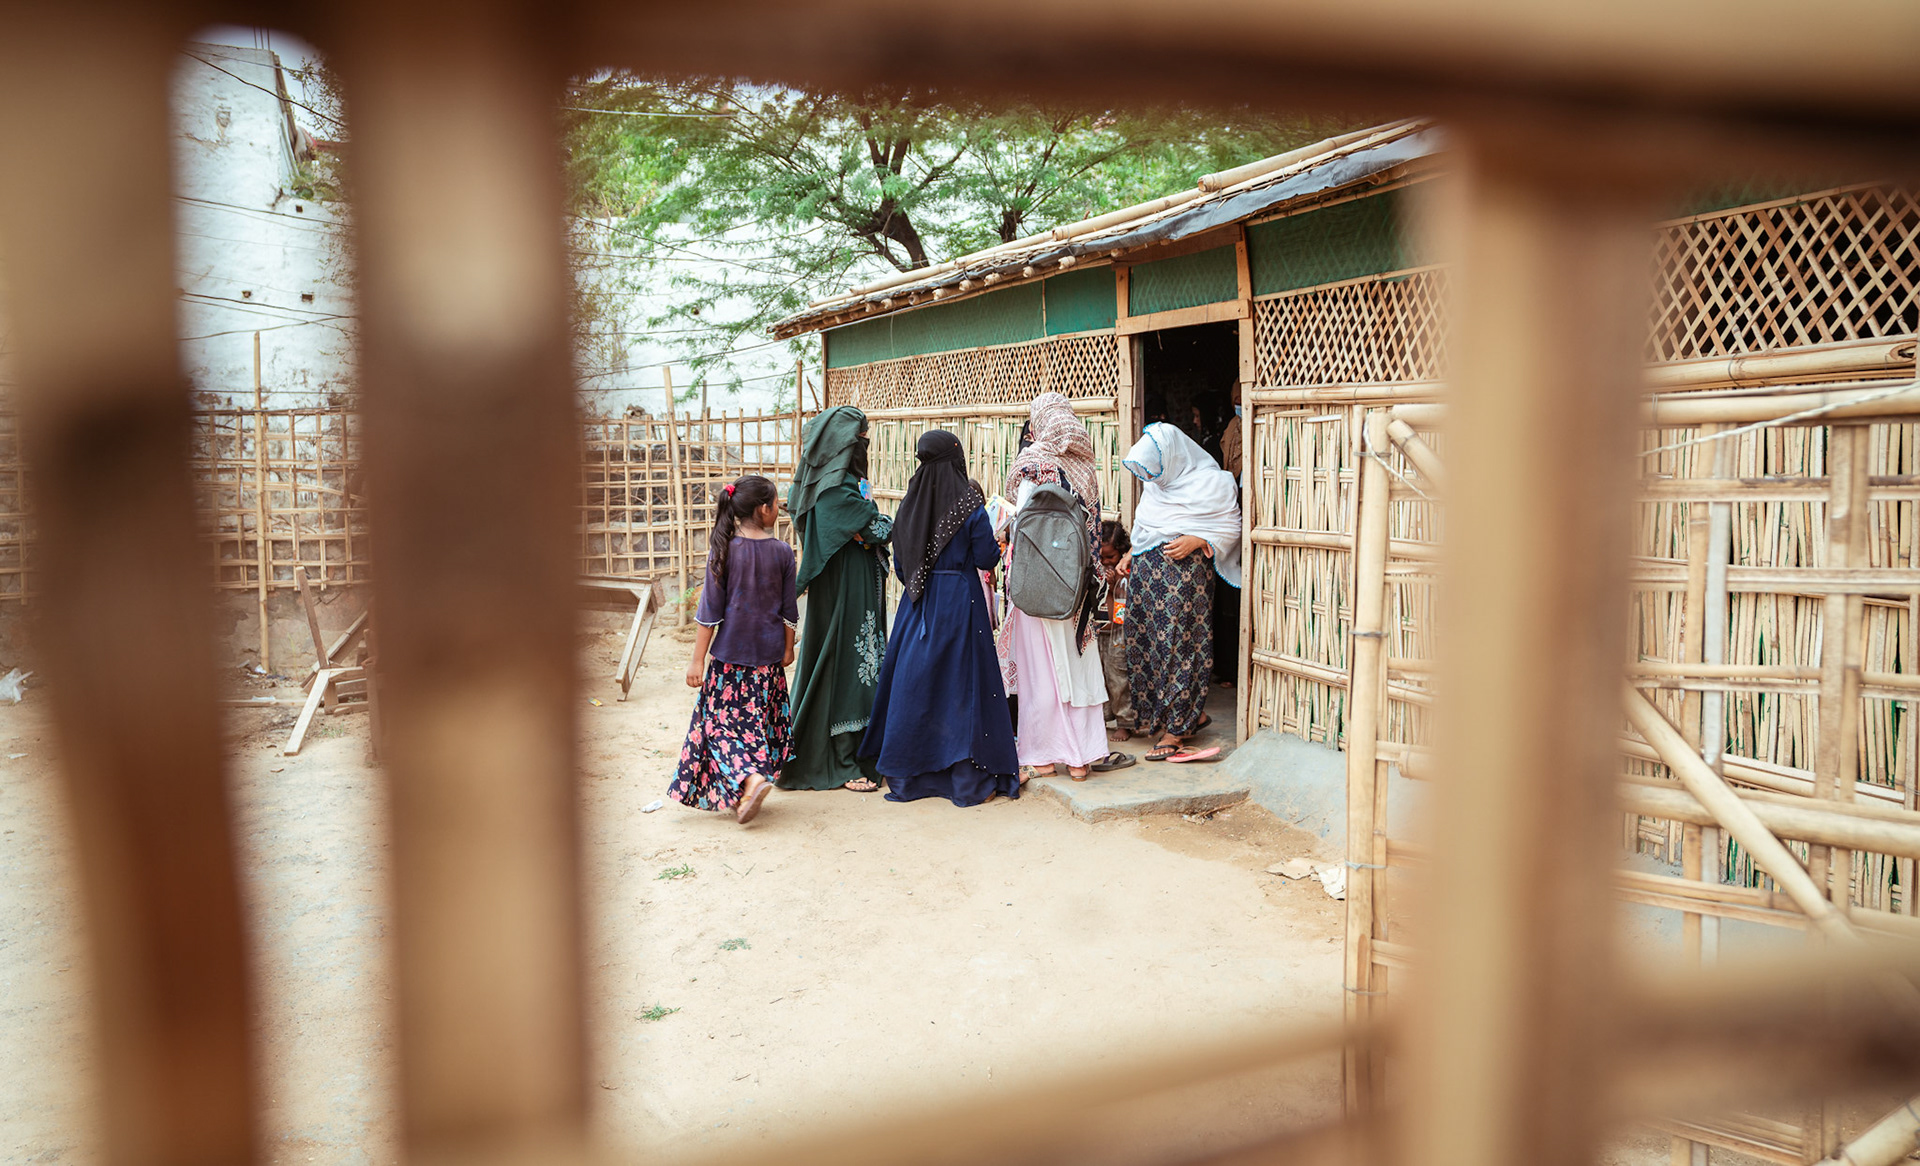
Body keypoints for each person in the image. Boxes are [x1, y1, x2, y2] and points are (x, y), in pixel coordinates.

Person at [860, 431, 1020, 806]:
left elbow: (901, 565)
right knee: (961, 689)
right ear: (956, 457)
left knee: (917, 686)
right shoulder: (968, 502)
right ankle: (964, 779)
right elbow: (986, 558)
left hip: (918, 606)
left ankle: (909, 776)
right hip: (961, 604)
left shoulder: (909, 503)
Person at [997, 392, 1125, 781]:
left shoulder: (1030, 464)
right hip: (1076, 590)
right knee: (1076, 664)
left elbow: (1015, 523)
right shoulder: (1086, 468)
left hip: (1034, 586)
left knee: (1041, 669)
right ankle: (1081, 757)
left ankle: (1042, 756)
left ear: (1037, 423)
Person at [670, 475, 798, 823]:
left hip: (729, 662)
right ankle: (748, 790)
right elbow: (789, 612)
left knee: (717, 725)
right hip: (768, 662)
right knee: (755, 725)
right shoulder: (783, 552)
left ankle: (751, 779)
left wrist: (697, 661)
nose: (778, 510)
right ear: (764, 509)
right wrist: (788, 650)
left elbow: (708, 613)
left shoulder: (723, 551)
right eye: (775, 504)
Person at [779, 406, 893, 793]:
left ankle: (862, 750)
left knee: (864, 659)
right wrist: (872, 524)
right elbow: (875, 525)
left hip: (858, 580)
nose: (866, 445)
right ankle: (843, 759)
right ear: (845, 443)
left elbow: (869, 526)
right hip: (844, 584)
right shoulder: (831, 491)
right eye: (862, 438)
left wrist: (869, 525)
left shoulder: (841, 483)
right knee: (847, 659)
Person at [1122, 422, 1243, 763]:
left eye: (1156, 470)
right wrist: (1132, 552)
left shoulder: (1215, 482)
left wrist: (1199, 539)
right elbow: (1145, 526)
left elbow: (1231, 527)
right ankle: (1185, 717)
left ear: (1172, 456)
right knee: (1146, 645)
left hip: (1186, 580)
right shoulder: (1157, 485)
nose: (1153, 479)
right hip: (1148, 578)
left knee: (1180, 646)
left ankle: (1176, 730)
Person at [1097, 520, 1136, 743]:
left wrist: (1112, 589)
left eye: (1110, 557)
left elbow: (1117, 617)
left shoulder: (1125, 576)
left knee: (1118, 678)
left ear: (1122, 552)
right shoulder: (1096, 572)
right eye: (1101, 557)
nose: (1105, 562)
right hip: (1098, 634)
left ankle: (1124, 722)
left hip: (1117, 635)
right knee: (1099, 677)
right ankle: (1103, 717)